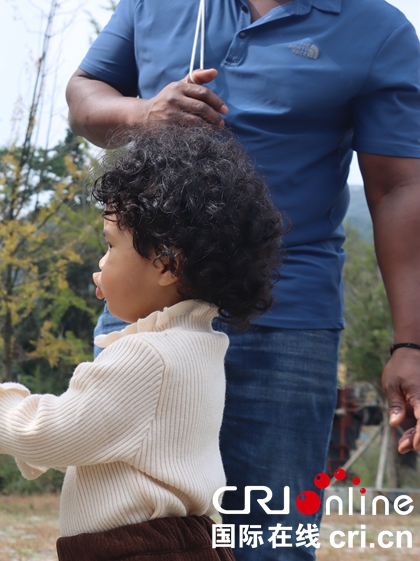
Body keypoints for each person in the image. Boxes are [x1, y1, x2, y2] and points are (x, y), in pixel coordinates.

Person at [66, 1, 420, 558]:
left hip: (284, 325)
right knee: (122, 535)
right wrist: (143, 114)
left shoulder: (376, 29)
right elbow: (84, 94)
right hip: (143, 313)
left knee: (270, 541)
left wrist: (410, 342)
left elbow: (398, 188)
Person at [0, 122, 284, 561]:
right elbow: (93, 437)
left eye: (110, 245)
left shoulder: (146, 357)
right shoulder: (198, 346)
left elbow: (51, 433)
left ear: (166, 263)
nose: (100, 263)